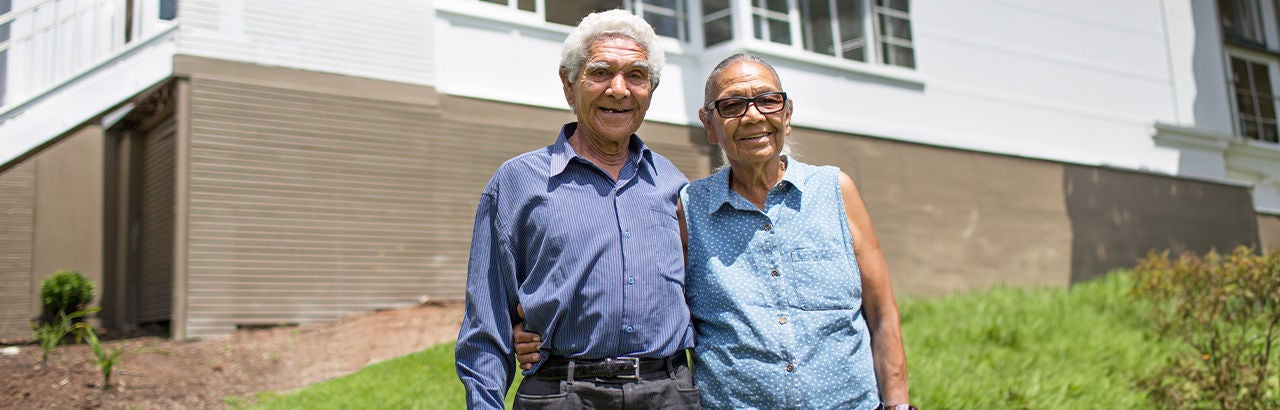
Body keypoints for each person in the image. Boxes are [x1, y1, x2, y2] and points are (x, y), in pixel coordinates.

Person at [516, 53, 912, 409]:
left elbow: (881, 314)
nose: (753, 116)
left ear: (787, 114)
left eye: (767, 100)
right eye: (732, 105)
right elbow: (646, 294)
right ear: (709, 124)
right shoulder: (690, 206)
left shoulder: (835, 191)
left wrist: (897, 404)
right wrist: (539, 327)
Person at [454, 9, 700, 410]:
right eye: (601, 72)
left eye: (636, 75)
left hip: (668, 392)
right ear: (569, 86)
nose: (619, 89)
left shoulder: (674, 185)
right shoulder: (517, 182)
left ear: (651, 90)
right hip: (561, 393)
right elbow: (486, 326)